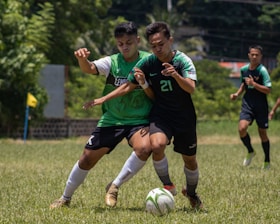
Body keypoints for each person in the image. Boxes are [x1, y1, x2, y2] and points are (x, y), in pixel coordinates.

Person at [50, 21, 175, 209]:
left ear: (138, 41)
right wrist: (82, 59)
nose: (124, 47)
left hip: (139, 120)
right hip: (112, 119)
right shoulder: (112, 62)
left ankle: (114, 187)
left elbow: (157, 95)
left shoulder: (149, 62)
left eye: (129, 42)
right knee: (87, 158)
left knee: (144, 149)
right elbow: (90, 68)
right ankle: (65, 198)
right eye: (120, 43)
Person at [86, 21, 203, 209]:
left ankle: (191, 193)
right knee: (156, 145)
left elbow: (191, 88)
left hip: (184, 117)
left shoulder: (182, 61)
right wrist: (103, 99)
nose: (157, 49)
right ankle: (167, 184)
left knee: (189, 159)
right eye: (153, 46)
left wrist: (175, 75)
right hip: (160, 114)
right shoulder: (148, 62)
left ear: (170, 40)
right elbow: (127, 86)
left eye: (161, 44)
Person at [230, 45, 272, 169]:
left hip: (261, 105)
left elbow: (268, 90)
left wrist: (254, 84)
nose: (254, 57)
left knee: (262, 133)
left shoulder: (262, 71)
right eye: (252, 54)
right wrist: (237, 94)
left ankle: (267, 161)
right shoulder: (244, 69)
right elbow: (244, 84)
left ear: (260, 57)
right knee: (242, 129)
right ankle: (250, 151)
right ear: (249, 55)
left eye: (257, 55)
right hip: (247, 103)